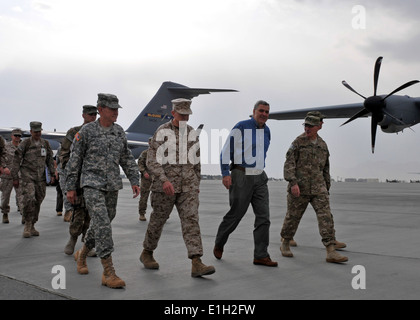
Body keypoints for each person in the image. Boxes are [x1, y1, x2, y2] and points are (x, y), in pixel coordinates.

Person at [66, 94, 140, 289]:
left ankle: (81, 254)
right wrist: (70, 187)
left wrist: (134, 179)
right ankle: (108, 272)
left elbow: (126, 157)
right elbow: (74, 160)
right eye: (111, 108)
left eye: (117, 108)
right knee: (102, 223)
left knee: (105, 220)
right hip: (91, 183)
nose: (115, 112)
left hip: (112, 184)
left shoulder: (118, 132)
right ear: (100, 109)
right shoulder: (87, 131)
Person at [139, 98, 215, 278]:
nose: (185, 119)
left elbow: (196, 161)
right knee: (158, 221)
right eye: (181, 115)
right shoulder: (162, 132)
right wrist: (164, 180)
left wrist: (196, 183)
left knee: (191, 221)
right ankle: (147, 252)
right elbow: (152, 161)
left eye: (187, 115)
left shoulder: (191, 134)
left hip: (188, 186)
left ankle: (196, 261)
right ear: (173, 113)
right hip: (164, 187)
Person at [214, 100, 277, 267]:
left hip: (260, 177)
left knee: (264, 217)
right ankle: (220, 242)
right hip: (241, 175)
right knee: (236, 215)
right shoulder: (241, 126)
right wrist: (226, 173)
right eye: (261, 111)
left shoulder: (267, 131)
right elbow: (226, 151)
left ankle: (261, 255)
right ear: (254, 111)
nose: (264, 114)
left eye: (267, 112)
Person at [280, 113, 348, 263]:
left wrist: (326, 186)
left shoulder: (322, 145)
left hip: (319, 188)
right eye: (306, 125)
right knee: (293, 217)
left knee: (326, 217)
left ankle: (330, 249)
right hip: (299, 188)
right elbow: (289, 164)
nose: (307, 128)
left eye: (311, 125)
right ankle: (285, 242)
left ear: (319, 126)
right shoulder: (298, 142)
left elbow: (325, 168)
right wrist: (293, 183)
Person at [60, 105, 98, 255]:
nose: (93, 117)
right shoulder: (74, 132)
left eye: (95, 114)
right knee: (78, 212)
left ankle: (86, 244)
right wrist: (69, 171)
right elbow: (64, 153)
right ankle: (72, 239)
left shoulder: (99, 132)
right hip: (77, 178)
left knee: (91, 213)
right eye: (90, 114)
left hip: (93, 179)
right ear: (83, 115)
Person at [12, 122, 56, 238]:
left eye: (39, 131)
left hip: (40, 178)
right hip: (27, 176)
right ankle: (27, 224)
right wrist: (15, 177)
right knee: (29, 199)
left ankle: (32, 224)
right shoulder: (25, 143)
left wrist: (52, 174)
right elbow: (16, 160)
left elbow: (50, 159)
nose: (38, 133)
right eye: (35, 131)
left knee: (38, 200)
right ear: (31, 131)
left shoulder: (45, 143)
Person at [1, 129, 23, 223]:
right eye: (15, 135)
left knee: (22, 197)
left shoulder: (23, 146)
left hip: (20, 175)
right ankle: (5, 213)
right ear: (11, 136)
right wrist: (3, 167)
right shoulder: (6, 146)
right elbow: (1, 157)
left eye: (19, 136)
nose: (17, 137)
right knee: (5, 197)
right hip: (7, 175)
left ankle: (24, 215)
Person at [137, 138, 152, 221]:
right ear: (148, 143)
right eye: (150, 142)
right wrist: (144, 172)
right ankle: (142, 214)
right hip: (146, 179)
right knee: (144, 197)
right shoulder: (145, 153)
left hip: (157, 179)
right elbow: (140, 164)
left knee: (158, 197)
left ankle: (159, 214)